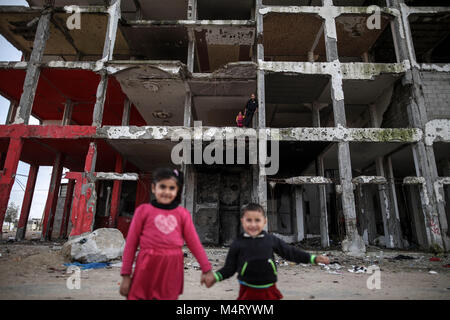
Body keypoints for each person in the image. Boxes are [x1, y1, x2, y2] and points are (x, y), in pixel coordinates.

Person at [119, 167, 213, 300]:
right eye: (162, 187)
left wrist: (206, 269)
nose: (166, 192)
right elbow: (131, 244)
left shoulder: (182, 214)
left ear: (177, 190)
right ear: (153, 188)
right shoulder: (143, 211)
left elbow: (194, 243)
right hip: (146, 264)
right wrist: (126, 275)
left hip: (172, 267)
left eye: (171, 188)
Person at [202, 203, 330, 300]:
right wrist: (215, 277)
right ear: (242, 222)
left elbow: (290, 252)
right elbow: (230, 268)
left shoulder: (271, 240)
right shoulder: (238, 243)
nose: (253, 224)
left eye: (257, 220)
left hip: (269, 290)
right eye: (249, 220)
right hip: (247, 290)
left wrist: (313, 258)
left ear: (265, 221)